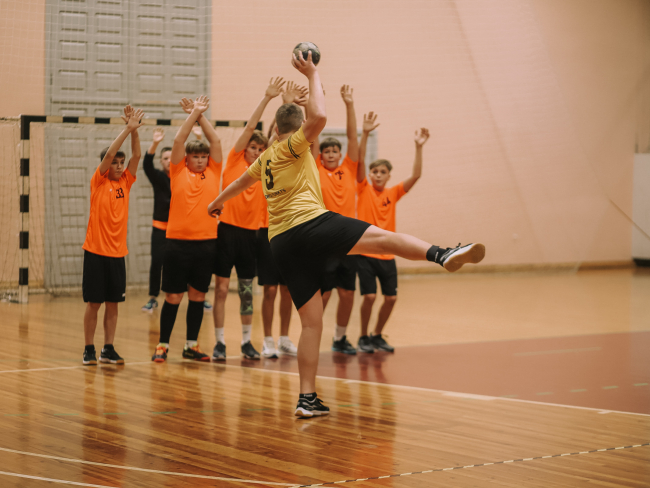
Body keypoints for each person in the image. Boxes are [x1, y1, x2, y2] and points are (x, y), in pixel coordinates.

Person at [208, 52, 485, 418]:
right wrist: (313, 73)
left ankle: (307, 398)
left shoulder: (266, 157)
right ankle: (442, 254)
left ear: (274, 129)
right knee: (384, 238)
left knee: (311, 322)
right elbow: (320, 116)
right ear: (299, 127)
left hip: (281, 242)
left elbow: (241, 181)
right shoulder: (294, 144)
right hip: (308, 224)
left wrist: (217, 201)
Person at [212, 77, 285, 361]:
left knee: (245, 290)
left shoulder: (265, 168)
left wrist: (290, 104)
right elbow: (251, 128)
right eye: (253, 148)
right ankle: (219, 342)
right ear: (245, 150)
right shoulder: (234, 162)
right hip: (226, 232)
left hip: (251, 236)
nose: (256, 151)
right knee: (220, 288)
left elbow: (282, 137)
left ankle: (245, 341)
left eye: (260, 149)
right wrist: (267, 98)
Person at [151, 95, 223, 363]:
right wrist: (192, 114)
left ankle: (191, 345)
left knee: (198, 295)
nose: (202, 160)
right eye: (197, 157)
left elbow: (215, 141)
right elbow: (179, 141)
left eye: (204, 157)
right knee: (173, 295)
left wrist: (201, 115)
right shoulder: (178, 171)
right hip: (177, 243)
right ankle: (162, 345)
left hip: (206, 243)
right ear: (187, 159)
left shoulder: (214, 171)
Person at [355, 117, 429, 353]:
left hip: (387, 256)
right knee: (368, 297)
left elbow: (416, 176)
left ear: (388, 176)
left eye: (382, 172)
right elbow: (359, 164)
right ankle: (363, 336)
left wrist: (418, 147)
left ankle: (377, 335)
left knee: (391, 299)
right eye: (374, 171)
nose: (377, 175)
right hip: (366, 253)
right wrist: (364, 134)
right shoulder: (363, 188)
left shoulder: (393, 193)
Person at [82, 106, 144, 365]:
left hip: (118, 254)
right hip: (96, 253)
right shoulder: (99, 181)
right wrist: (126, 129)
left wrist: (135, 131)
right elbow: (108, 153)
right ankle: (89, 349)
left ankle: (108, 348)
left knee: (113, 304)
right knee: (94, 304)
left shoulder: (126, 183)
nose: (119, 166)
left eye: (122, 162)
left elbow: (137, 155)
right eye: (115, 163)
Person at [255, 82, 308, 359]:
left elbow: (298, 131)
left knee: (288, 288)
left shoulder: (299, 154)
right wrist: (284, 104)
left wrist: (297, 106)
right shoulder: (269, 156)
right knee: (270, 289)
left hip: (293, 230)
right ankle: (267, 339)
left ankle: (285, 337)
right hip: (268, 230)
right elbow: (273, 138)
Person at [314, 85, 365, 355]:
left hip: (350, 240)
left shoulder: (349, 167)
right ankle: (312, 335)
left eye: (336, 151)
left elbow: (352, 138)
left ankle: (340, 338)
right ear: (321, 156)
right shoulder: (315, 170)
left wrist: (349, 104)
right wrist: (311, 102)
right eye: (328, 151)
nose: (332, 154)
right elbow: (311, 135)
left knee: (347, 293)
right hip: (325, 240)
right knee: (324, 294)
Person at [141, 128, 171, 313]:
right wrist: (155, 143)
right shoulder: (158, 177)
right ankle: (153, 298)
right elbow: (146, 166)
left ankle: (199, 297)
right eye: (165, 158)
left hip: (180, 230)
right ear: (161, 162)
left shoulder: (184, 176)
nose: (168, 161)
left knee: (187, 262)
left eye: (171, 157)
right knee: (157, 262)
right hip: (160, 229)